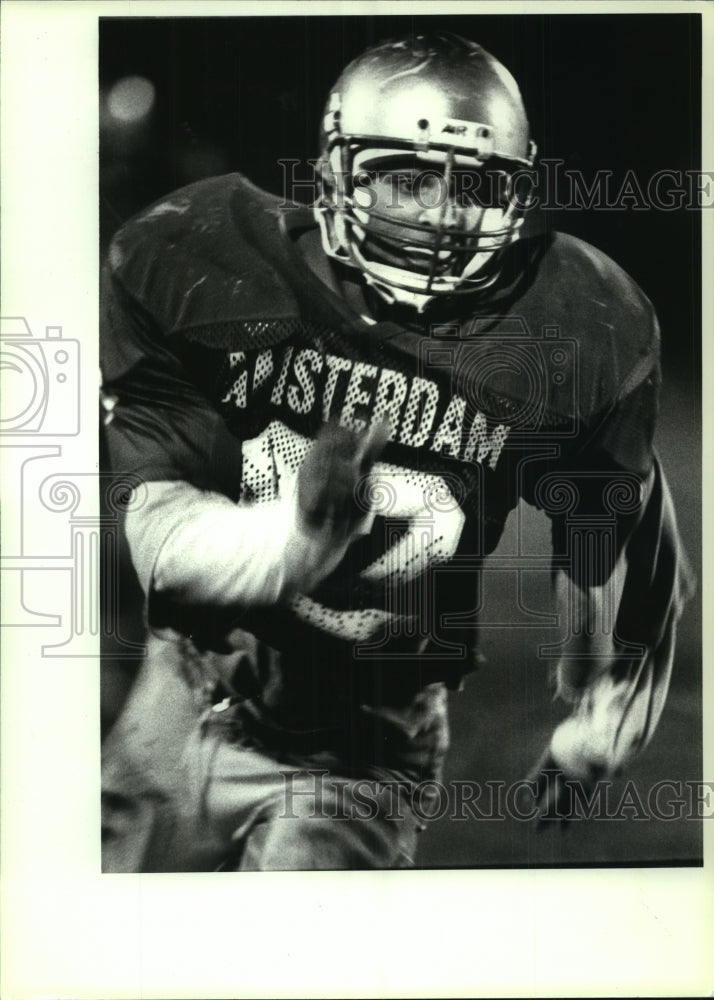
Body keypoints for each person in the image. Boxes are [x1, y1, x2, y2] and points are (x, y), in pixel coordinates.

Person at [100, 31, 693, 871]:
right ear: (337, 168)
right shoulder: (207, 260)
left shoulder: (574, 324)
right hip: (183, 692)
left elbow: (628, 551)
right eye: (406, 178)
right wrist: (297, 538)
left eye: (475, 185)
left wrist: (599, 711)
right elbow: (163, 544)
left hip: (360, 749)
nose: (441, 217)